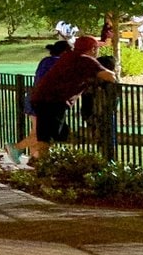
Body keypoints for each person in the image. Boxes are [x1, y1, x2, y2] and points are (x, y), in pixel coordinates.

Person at [25, 34, 116, 166]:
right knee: (52, 136)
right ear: (93, 49)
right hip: (54, 101)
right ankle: (43, 164)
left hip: (40, 98)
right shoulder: (86, 60)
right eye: (97, 48)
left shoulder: (68, 56)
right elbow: (110, 76)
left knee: (44, 135)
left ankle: (39, 162)